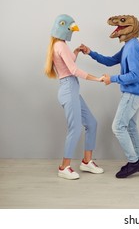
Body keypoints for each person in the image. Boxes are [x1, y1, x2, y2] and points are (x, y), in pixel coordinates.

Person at [80, 14, 139, 179]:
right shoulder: (128, 46)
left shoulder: (132, 48)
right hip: (136, 93)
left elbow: (134, 75)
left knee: (118, 126)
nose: (117, 27)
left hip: (132, 93)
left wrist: (112, 79)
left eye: (122, 23)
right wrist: (90, 53)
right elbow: (110, 61)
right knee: (130, 126)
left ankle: (133, 162)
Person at [44, 14, 104, 180]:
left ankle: (86, 161)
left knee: (91, 123)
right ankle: (64, 167)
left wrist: (76, 51)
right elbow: (73, 71)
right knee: (75, 128)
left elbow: (67, 64)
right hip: (69, 89)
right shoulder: (60, 45)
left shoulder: (60, 44)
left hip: (71, 89)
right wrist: (97, 78)